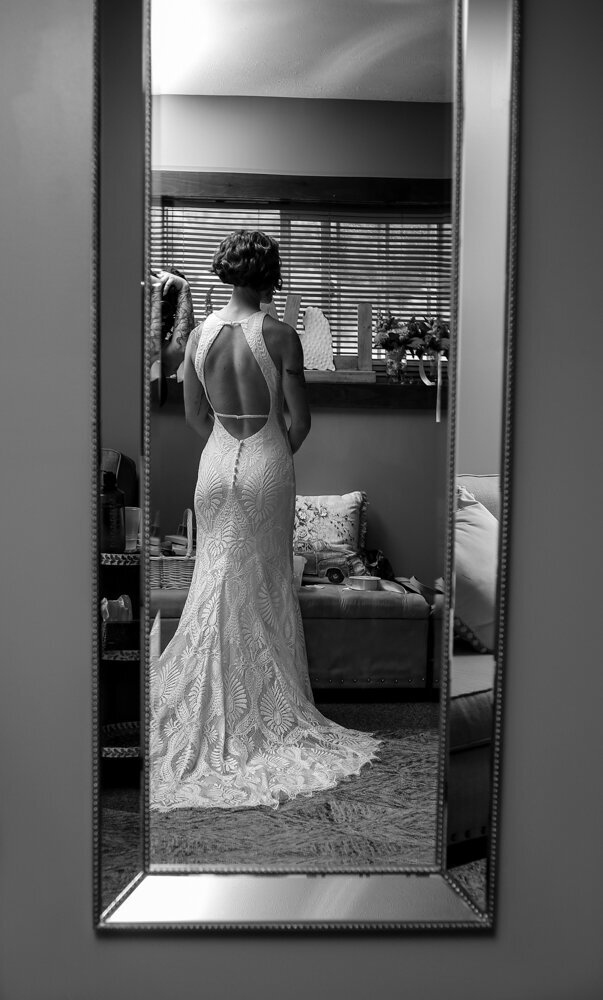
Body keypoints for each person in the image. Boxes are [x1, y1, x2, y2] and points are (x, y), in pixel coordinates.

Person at [150, 230, 380, 811]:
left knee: (215, 578)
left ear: (226, 270)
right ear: (271, 275)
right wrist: (267, 455)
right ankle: (255, 705)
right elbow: (299, 423)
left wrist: (229, 453)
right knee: (262, 583)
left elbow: (196, 417)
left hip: (216, 462)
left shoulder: (199, 336)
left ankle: (203, 695)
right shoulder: (279, 335)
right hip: (266, 459)